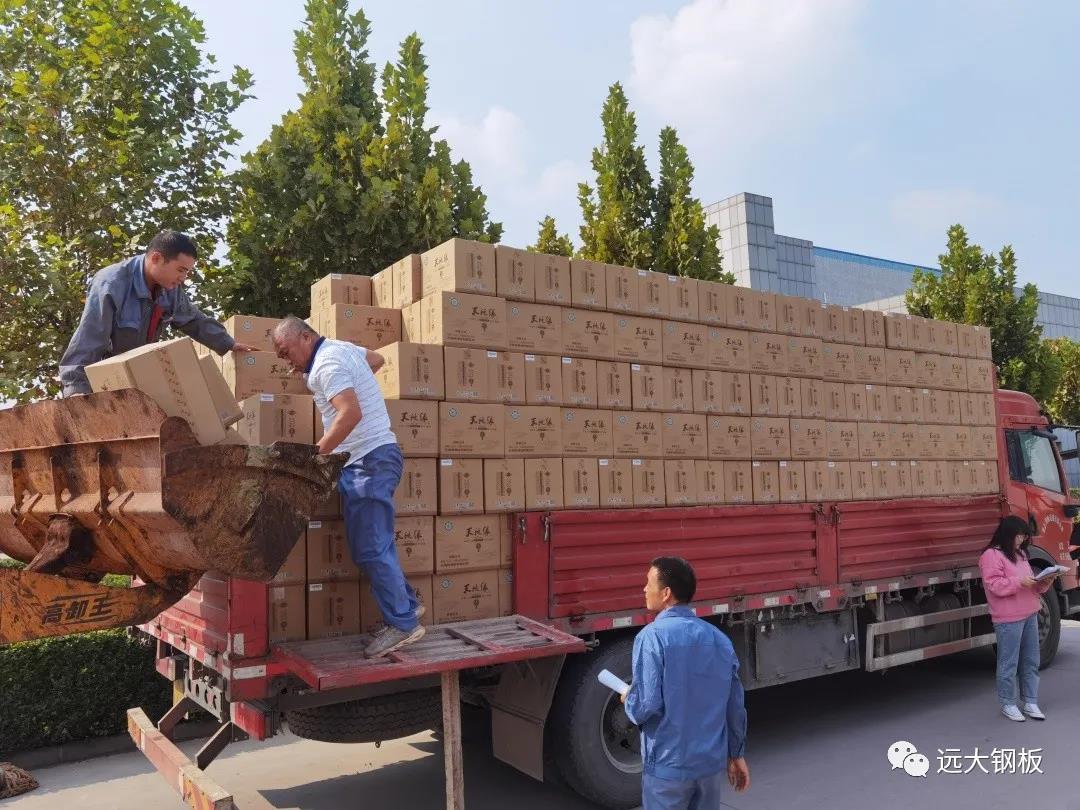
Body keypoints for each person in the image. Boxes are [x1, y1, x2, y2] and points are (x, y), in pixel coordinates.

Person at [272, 316, 424, 658]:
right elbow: (377, 359)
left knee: (371, 548)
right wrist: (354, 381)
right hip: (373, 458)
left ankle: (403, 624)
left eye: (285, 352)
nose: (286, 362)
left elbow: (350, 413)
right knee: (375, 543)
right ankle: (408, 607)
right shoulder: (340, 349)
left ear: (305, 337)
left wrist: (317, 455)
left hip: (368, 461)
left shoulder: (326, 365)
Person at [59, 230, 256, 396]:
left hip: (139, 380)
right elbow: (88, 341)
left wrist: (228, 343)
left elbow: (194, 320)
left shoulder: (170, 289)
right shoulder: (110, 284)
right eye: (181, 270)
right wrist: (77, 391)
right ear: (156, 258)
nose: (183, 278)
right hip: (106, 383)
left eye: (187, 272)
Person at [621, 556, 749, 810]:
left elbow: (646, 705)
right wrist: (736, 754)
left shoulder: (651, 637)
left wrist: (629, 700)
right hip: (708, 768)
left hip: (668, 767)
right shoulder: (719, 639)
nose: (644, 589)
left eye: (649, 583)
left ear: (666, 593)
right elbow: (734, 705)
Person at [979, 515, 1059, 722]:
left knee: (1031, 661)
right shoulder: (991, 555)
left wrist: (1045, 582)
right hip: (1008, 618)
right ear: (1008, 534)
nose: (1022, 539)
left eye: (1024, 536)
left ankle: (1031, 701)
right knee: (1009, 663)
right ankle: (1008, 703)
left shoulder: (1021, 554)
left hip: (1030, 613)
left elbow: (1031, 586)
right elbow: (994, 585)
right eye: (1020, 535)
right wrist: (1019, 582)